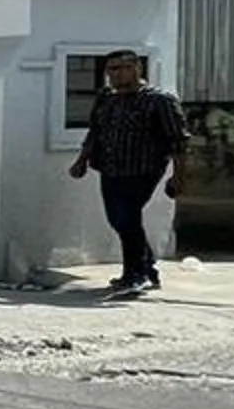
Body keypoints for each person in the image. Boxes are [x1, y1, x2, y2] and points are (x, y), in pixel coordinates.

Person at [67, 50, 187, 297]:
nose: (115, 74)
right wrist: (81, 160)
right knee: (118, 220)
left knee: (127, 218)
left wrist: (178, 176)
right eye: (111, 69)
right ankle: (147, 269)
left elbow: (178, 142)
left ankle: (136, 275)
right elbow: (95, 132)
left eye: (121, 68)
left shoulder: (159, 101)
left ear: (136, 69)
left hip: (143, 168)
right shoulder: (107, 99)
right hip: (110, 168)